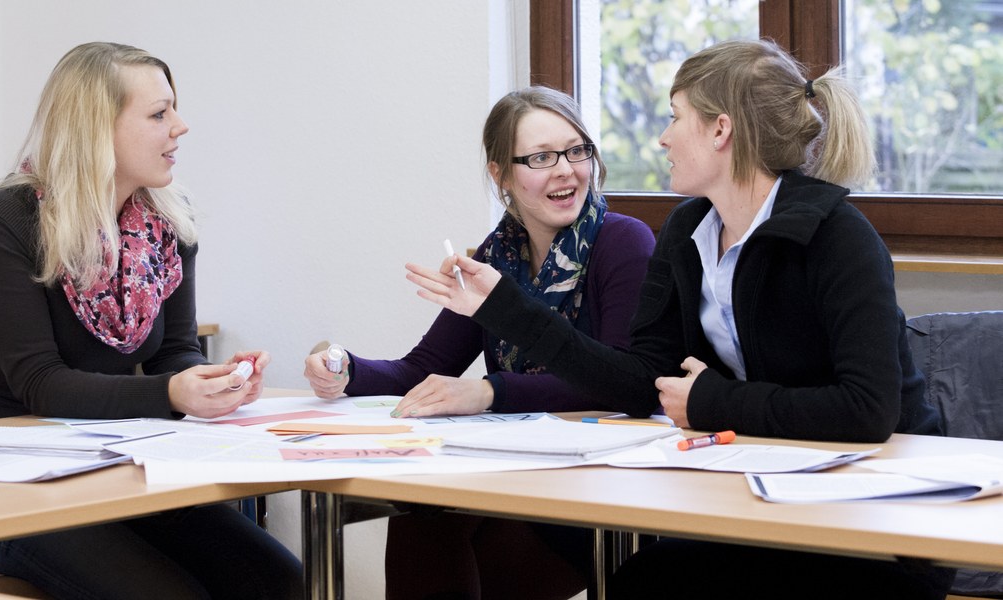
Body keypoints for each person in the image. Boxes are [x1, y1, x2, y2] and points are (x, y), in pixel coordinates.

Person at [406, 40, 952, 600]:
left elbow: (867, 409)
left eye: (675, 118)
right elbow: (638, 382)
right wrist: (505, 307)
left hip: (882, 522)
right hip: (774, 502)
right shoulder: (688, 231)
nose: (663, 138)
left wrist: (712, 401)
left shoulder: (840, 237)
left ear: (721, 131)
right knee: (644, 578)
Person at [0, 42, 302, 600]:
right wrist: (172, 392)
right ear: (98, 128)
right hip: (12, 485)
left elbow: (176, 355)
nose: (181, 127)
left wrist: (214, 384)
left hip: (120, 468)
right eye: (159, 113)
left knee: (280, 581)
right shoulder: (8, 220)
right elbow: (40, 385)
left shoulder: (167, 221)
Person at [303, 86, 655, 599]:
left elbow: (621, 382)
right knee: (418, 512)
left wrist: (490, 391)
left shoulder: (624, 241)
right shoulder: (499, 251)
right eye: (541, 157)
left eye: (577, 151)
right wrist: (344, 368)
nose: (566, 170)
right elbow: (421, 367)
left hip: (592, 489)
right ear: (500, 174)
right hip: (514, 475)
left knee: (443, 539)